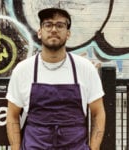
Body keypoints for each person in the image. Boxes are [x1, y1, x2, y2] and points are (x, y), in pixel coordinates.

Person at [6, 8, 106, 150]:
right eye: (48, 24)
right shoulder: (23, 70)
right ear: (40, 32)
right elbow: (12, 115)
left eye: (60, 25)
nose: (54, 30)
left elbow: (98, 113)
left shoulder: (85, 69)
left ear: (68, 33)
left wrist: (93, 148)